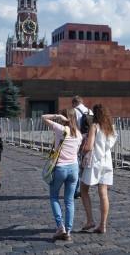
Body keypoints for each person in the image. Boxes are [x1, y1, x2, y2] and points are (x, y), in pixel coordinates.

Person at [42, 109, 82, 242]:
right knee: (69, 201)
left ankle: (60, 227)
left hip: (60, 168)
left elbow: (43, 117)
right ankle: (68, 231)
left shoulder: (61, 129)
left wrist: (57, 115)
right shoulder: (79, 134)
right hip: (74, 168)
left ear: (64, 118)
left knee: (54, 196)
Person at [79, 104, 117, 234]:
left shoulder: (94, 126)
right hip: (107, 162)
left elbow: (89, 147)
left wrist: (82, 148)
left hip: (94, 162)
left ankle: (90, 220)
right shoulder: (111, 128)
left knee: (83, 189)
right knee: (103, 193)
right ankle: (103, 225)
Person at [71, 96, 93, 199]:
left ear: (74, 103)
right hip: (89, 140)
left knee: (77, 165)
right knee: (85, 165)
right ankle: (85, 189)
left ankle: (76, 191)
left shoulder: (74, 111)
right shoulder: (90, 111)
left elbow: (73, 126)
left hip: (79, 140)